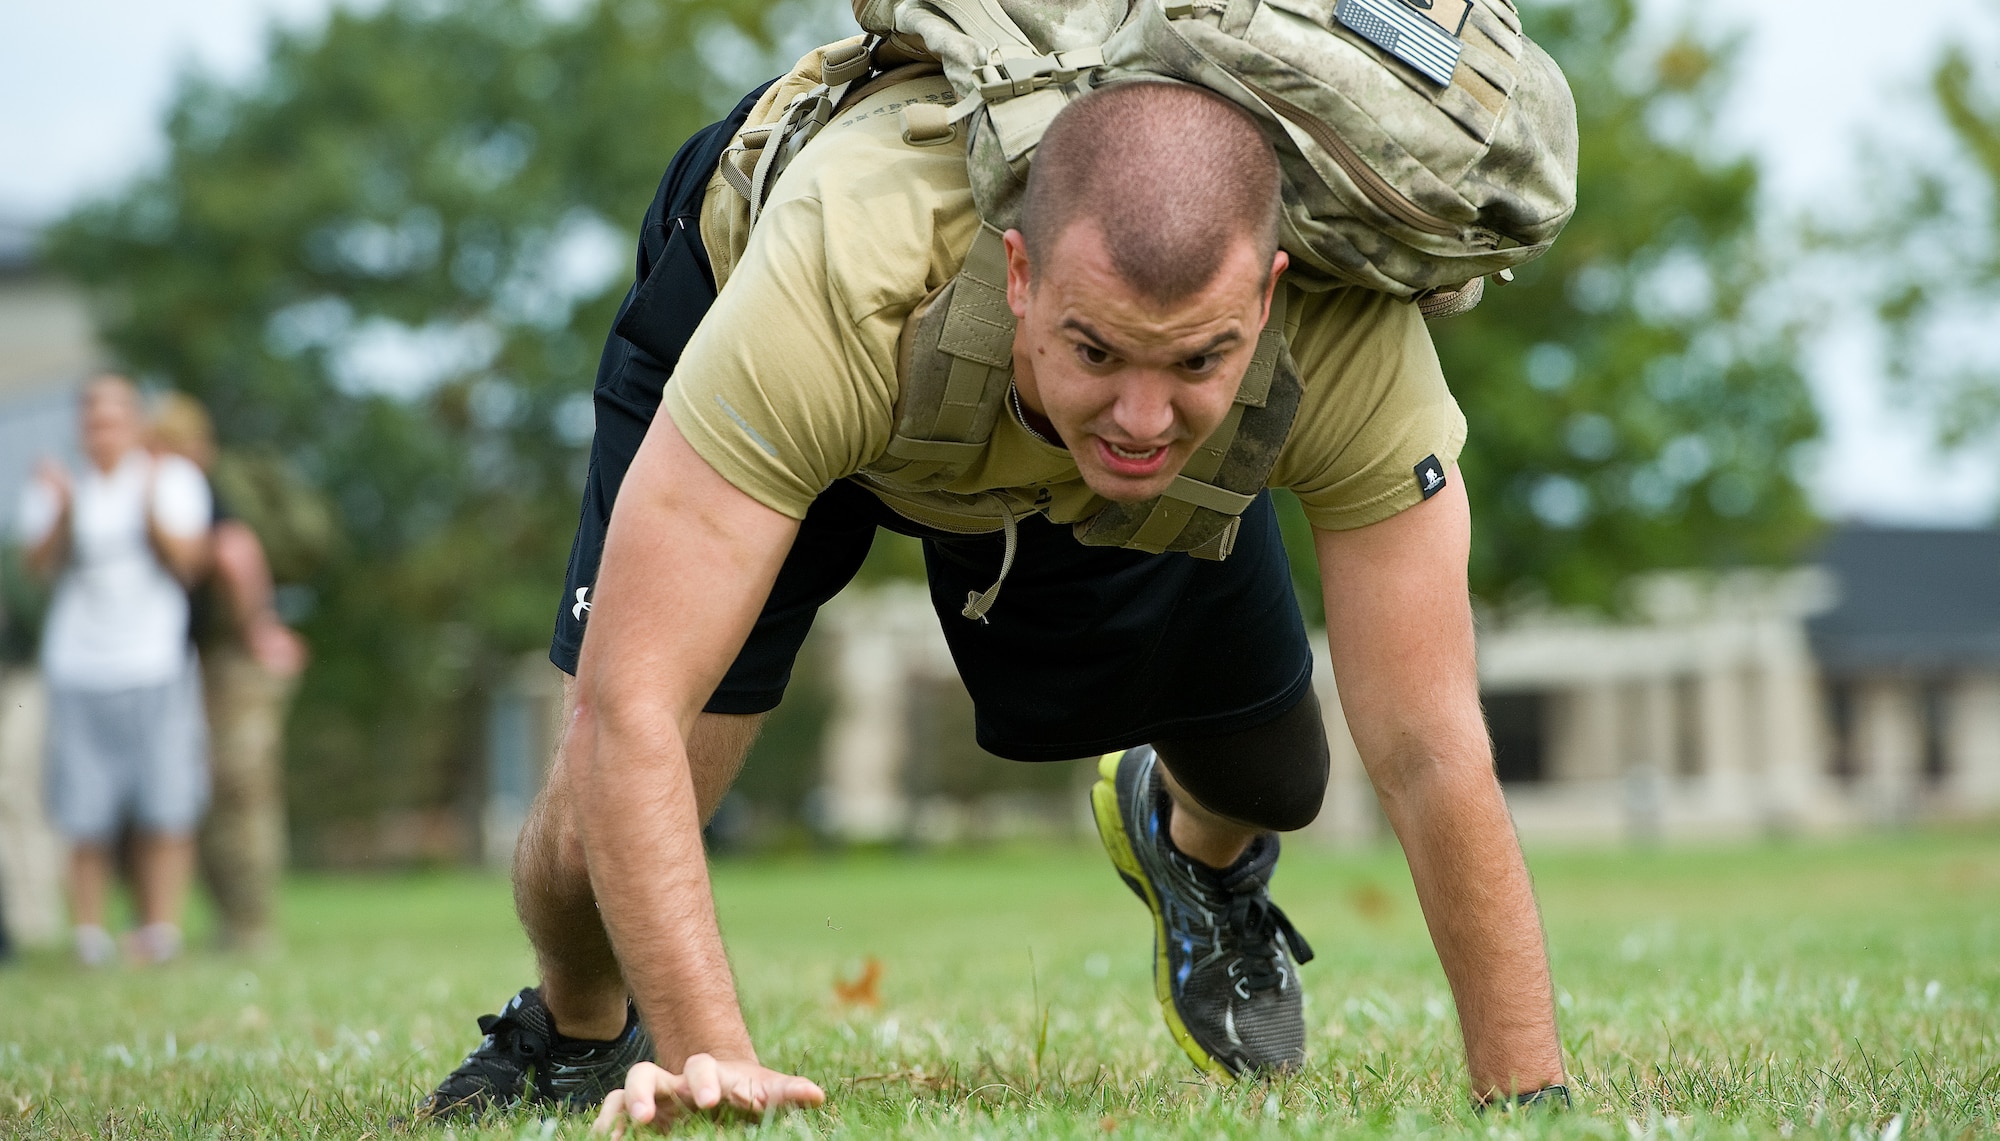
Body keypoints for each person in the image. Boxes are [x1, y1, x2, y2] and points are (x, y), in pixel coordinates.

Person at [418, 77, 1567, 1123]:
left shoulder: (1348, 343)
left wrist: (1527, 1099)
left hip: (1026, 432)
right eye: (1100, 349)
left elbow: (1428, 742)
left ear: (1265, 303)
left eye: (1197, 362)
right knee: (586, 850)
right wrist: (713, 1059)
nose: (1143, 413)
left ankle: (1183, 846)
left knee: (1276, 780)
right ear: (1021, 277)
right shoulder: (833, 283)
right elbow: (628, 711)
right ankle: (570, 1030)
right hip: (810, 360)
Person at [16, 374, 212, 966]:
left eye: (115, 417)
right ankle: (91, 936)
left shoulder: (172, 478)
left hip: (154, 661)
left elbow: (189, 563)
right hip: (79, 666)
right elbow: (36, 566)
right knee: (84, 810)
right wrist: (67, 511)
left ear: (136, 422)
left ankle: (160, 932)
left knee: (166, 804)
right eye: (93, 419)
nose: (103, 429)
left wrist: (149, 505)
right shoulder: (57, 486)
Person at [149, 393, 316, 951]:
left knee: (241, 787)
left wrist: (259, 629)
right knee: (221, 787)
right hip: (209, 660)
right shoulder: (191, 488)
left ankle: (251, 927)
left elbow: (236, 554)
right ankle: (235, 923)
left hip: (234, 661)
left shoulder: (198, 490)